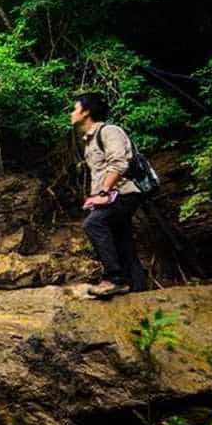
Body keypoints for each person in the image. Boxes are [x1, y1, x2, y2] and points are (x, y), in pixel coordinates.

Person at [71, 92, 148, 297]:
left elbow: (119, 163)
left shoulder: (109, 131)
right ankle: (138, 287)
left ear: (86, 112)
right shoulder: (89, 140)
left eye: (75, 109)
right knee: (120, 237)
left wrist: (104, 191)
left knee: (93, 224)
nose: (71, 113)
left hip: (123, 193)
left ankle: (115, 279)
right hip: (111, 196)